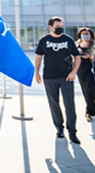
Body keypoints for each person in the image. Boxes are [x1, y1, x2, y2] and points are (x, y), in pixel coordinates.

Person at [35, 16, 82, 144]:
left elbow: (77, 57)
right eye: (57, 27)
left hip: (66, 76)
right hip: (49, 77)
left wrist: (74, 72)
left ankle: (72, 132)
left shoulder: (68, 40)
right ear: (50, 27)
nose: (60, 28)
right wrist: (36, 73)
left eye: (61, 26)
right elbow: (38, 57)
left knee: (69, 104)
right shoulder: (44, 40)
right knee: (54, 104)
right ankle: (59, 128)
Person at [76, 27, 95, 121]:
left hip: (91, 68)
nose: (85, 35)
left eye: (87, 33)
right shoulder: (76, 44)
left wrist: (90, 56)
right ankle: (91, 109)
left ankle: (89, 111)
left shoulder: (94, 44)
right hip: (80, 68)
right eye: (83, 33)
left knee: (90, 89)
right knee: (85, 89)